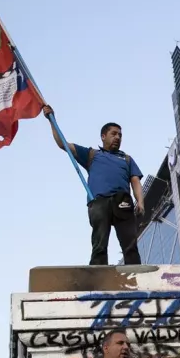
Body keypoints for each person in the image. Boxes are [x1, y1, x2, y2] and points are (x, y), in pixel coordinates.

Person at [42, 105, 144, 266]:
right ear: (103, 136)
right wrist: (51, 120)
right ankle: (97, 273)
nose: (118, 137)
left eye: (120, 135)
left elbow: (135, 181)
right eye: (114, 134)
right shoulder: (91, 154)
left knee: (130, 243)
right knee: (99, 243)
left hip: (122, 201)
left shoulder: (126, 159)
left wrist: (140, 201)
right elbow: (63, 144)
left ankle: (134, 273)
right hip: (99, 202)